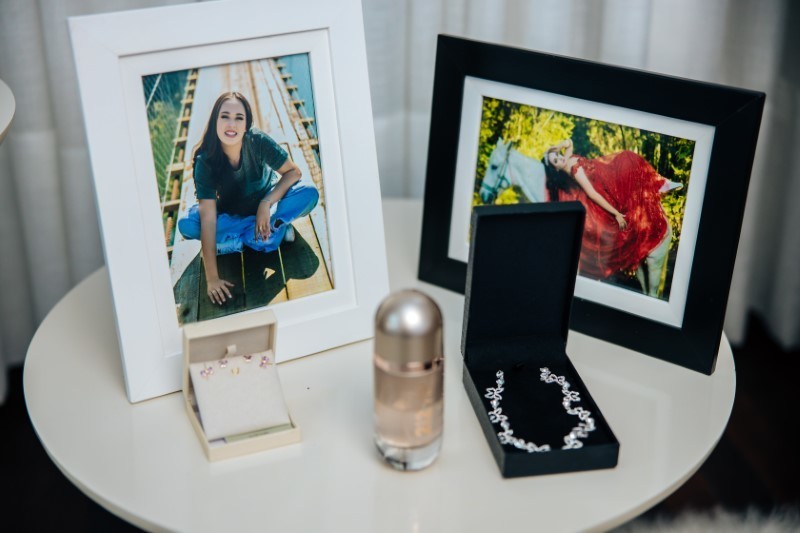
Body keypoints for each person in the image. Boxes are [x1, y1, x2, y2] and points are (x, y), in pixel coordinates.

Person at [177, 92, 319, 305]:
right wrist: (212, 279)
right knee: (186, 224)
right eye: (225, 116)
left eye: (239, 118)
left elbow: (293, 172)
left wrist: (266, 203)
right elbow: (207, 219)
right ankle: (270, 232)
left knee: (309, 193)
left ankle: (245, 236)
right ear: (215, 121)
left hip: (267, 206)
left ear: (246, 125)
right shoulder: (205, 161)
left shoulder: (257, 141)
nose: (231, 124)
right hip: (231, 215)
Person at [542, 139, 670, 280]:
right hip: (603, 186)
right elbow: (592, 194)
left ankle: (659, 183)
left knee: (627, 157)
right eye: (556, 161)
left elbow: (569, 143)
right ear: (556, 169)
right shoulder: (574, 170)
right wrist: (616, 214)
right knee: (627, 159)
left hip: (605, 174)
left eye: (558, 155)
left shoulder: (566, 159)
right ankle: (658, 184)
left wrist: (556, 147)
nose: (560, 158)